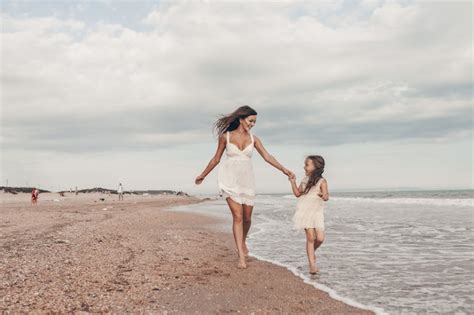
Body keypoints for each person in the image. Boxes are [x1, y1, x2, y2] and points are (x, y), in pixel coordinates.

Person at [195, 105, 295, 269]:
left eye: (254, 122)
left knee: (248, 218)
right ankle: (241, 255)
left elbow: (268, 156)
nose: (253, 124)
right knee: (238, 217)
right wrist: (203, 175)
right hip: (229, 179)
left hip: (247, 180)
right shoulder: (225, 137)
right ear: (241, 119)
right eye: (251, 120)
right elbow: (216, 159)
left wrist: (284, 170)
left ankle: (242, 240)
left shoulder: (254, 139)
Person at [288, 155, 329, 274]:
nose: (304, 167)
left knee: (320, 238)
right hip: (305, 211)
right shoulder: (304, 180)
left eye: (307, 164)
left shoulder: (322, 181)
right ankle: (312, 265)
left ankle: (311, 252)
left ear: (316, 167)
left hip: (317, 212)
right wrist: (293, 182)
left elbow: (326, 196)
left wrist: (324, 196)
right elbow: (297, 193)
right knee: (311, 238)